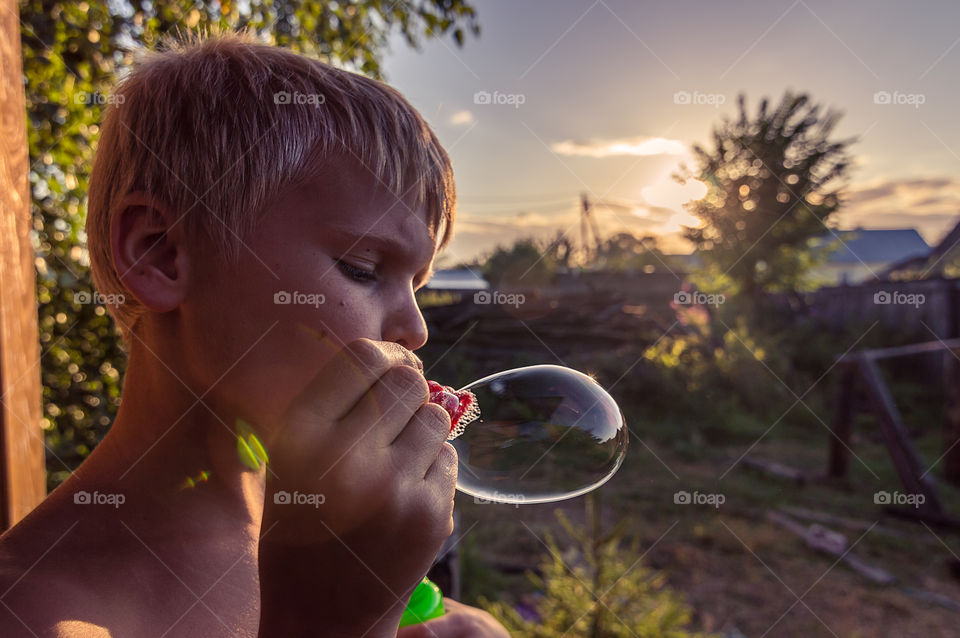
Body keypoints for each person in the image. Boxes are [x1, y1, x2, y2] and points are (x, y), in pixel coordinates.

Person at [0, 30, 509, 638]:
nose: (415, 329)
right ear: (160, 253)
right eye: (363, 269)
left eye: (417, 285)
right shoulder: (26, 611)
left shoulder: (341, 539)